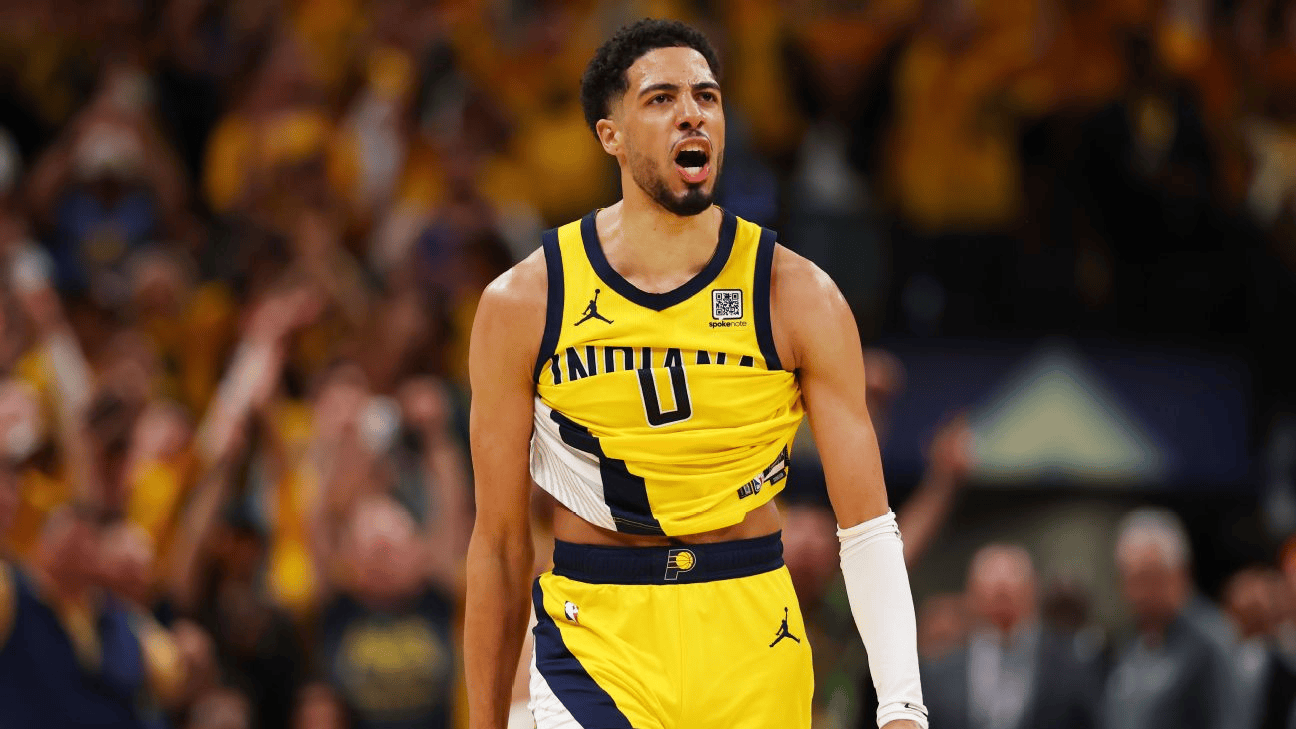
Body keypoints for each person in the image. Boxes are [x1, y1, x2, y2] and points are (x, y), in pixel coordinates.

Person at [464, 18, 926, 729]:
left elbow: (865, 524)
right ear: (610, 135)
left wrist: (901, 706)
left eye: (707, 96)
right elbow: (499, 544)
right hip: (596, 638)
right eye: (661, 98)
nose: (693, 113)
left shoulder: (797, 294)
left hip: (751, 629)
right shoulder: (525, 300)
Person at [921, 544, 1100, 729]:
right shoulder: (939, 673)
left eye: (1010, 587)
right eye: (992, 588)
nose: (1002, 594)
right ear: (971, 593)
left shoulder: (1071, 663)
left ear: (1033, 589)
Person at [1103, 508, 1235, 729]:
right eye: (1129, 579)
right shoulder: (1129, 642)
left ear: (1179, 573)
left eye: (1148, 577)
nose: (1138, 593)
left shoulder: (1211, 642)